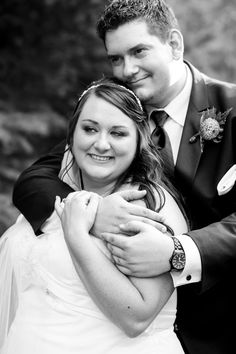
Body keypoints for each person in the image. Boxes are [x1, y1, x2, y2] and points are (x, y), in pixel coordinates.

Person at [12, 0, 236, 353]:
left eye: (138, 51)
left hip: (221, 329)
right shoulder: (115, 113)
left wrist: (178, 252)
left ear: (174, 44)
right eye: (116, 58)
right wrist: (94, 212)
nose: (127, 69)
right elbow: (34, 179)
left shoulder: (232, 109)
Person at [0, 78, 188, 354]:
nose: (101, 144)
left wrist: (77, 234)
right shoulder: (54, 195)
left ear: (139, 140)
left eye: (118, 133)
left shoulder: (148, 205)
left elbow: (136, 316)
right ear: (72, 134)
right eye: (90, 129)